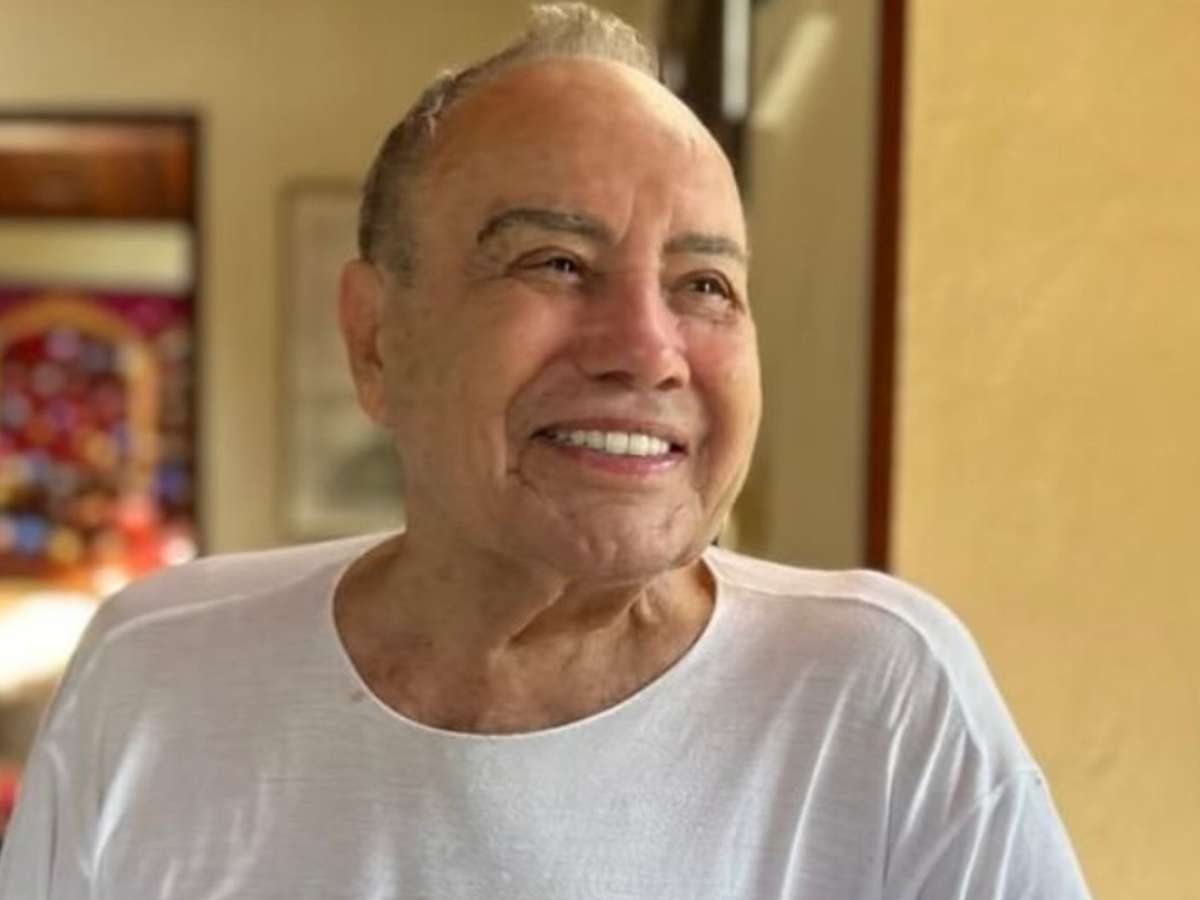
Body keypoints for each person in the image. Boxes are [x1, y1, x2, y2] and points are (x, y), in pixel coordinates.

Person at [0, 4, 1092, 897]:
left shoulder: (876, 693)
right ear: (377, 339)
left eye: (705, 284)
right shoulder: (163, 675)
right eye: (556, 262)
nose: (648, 350)